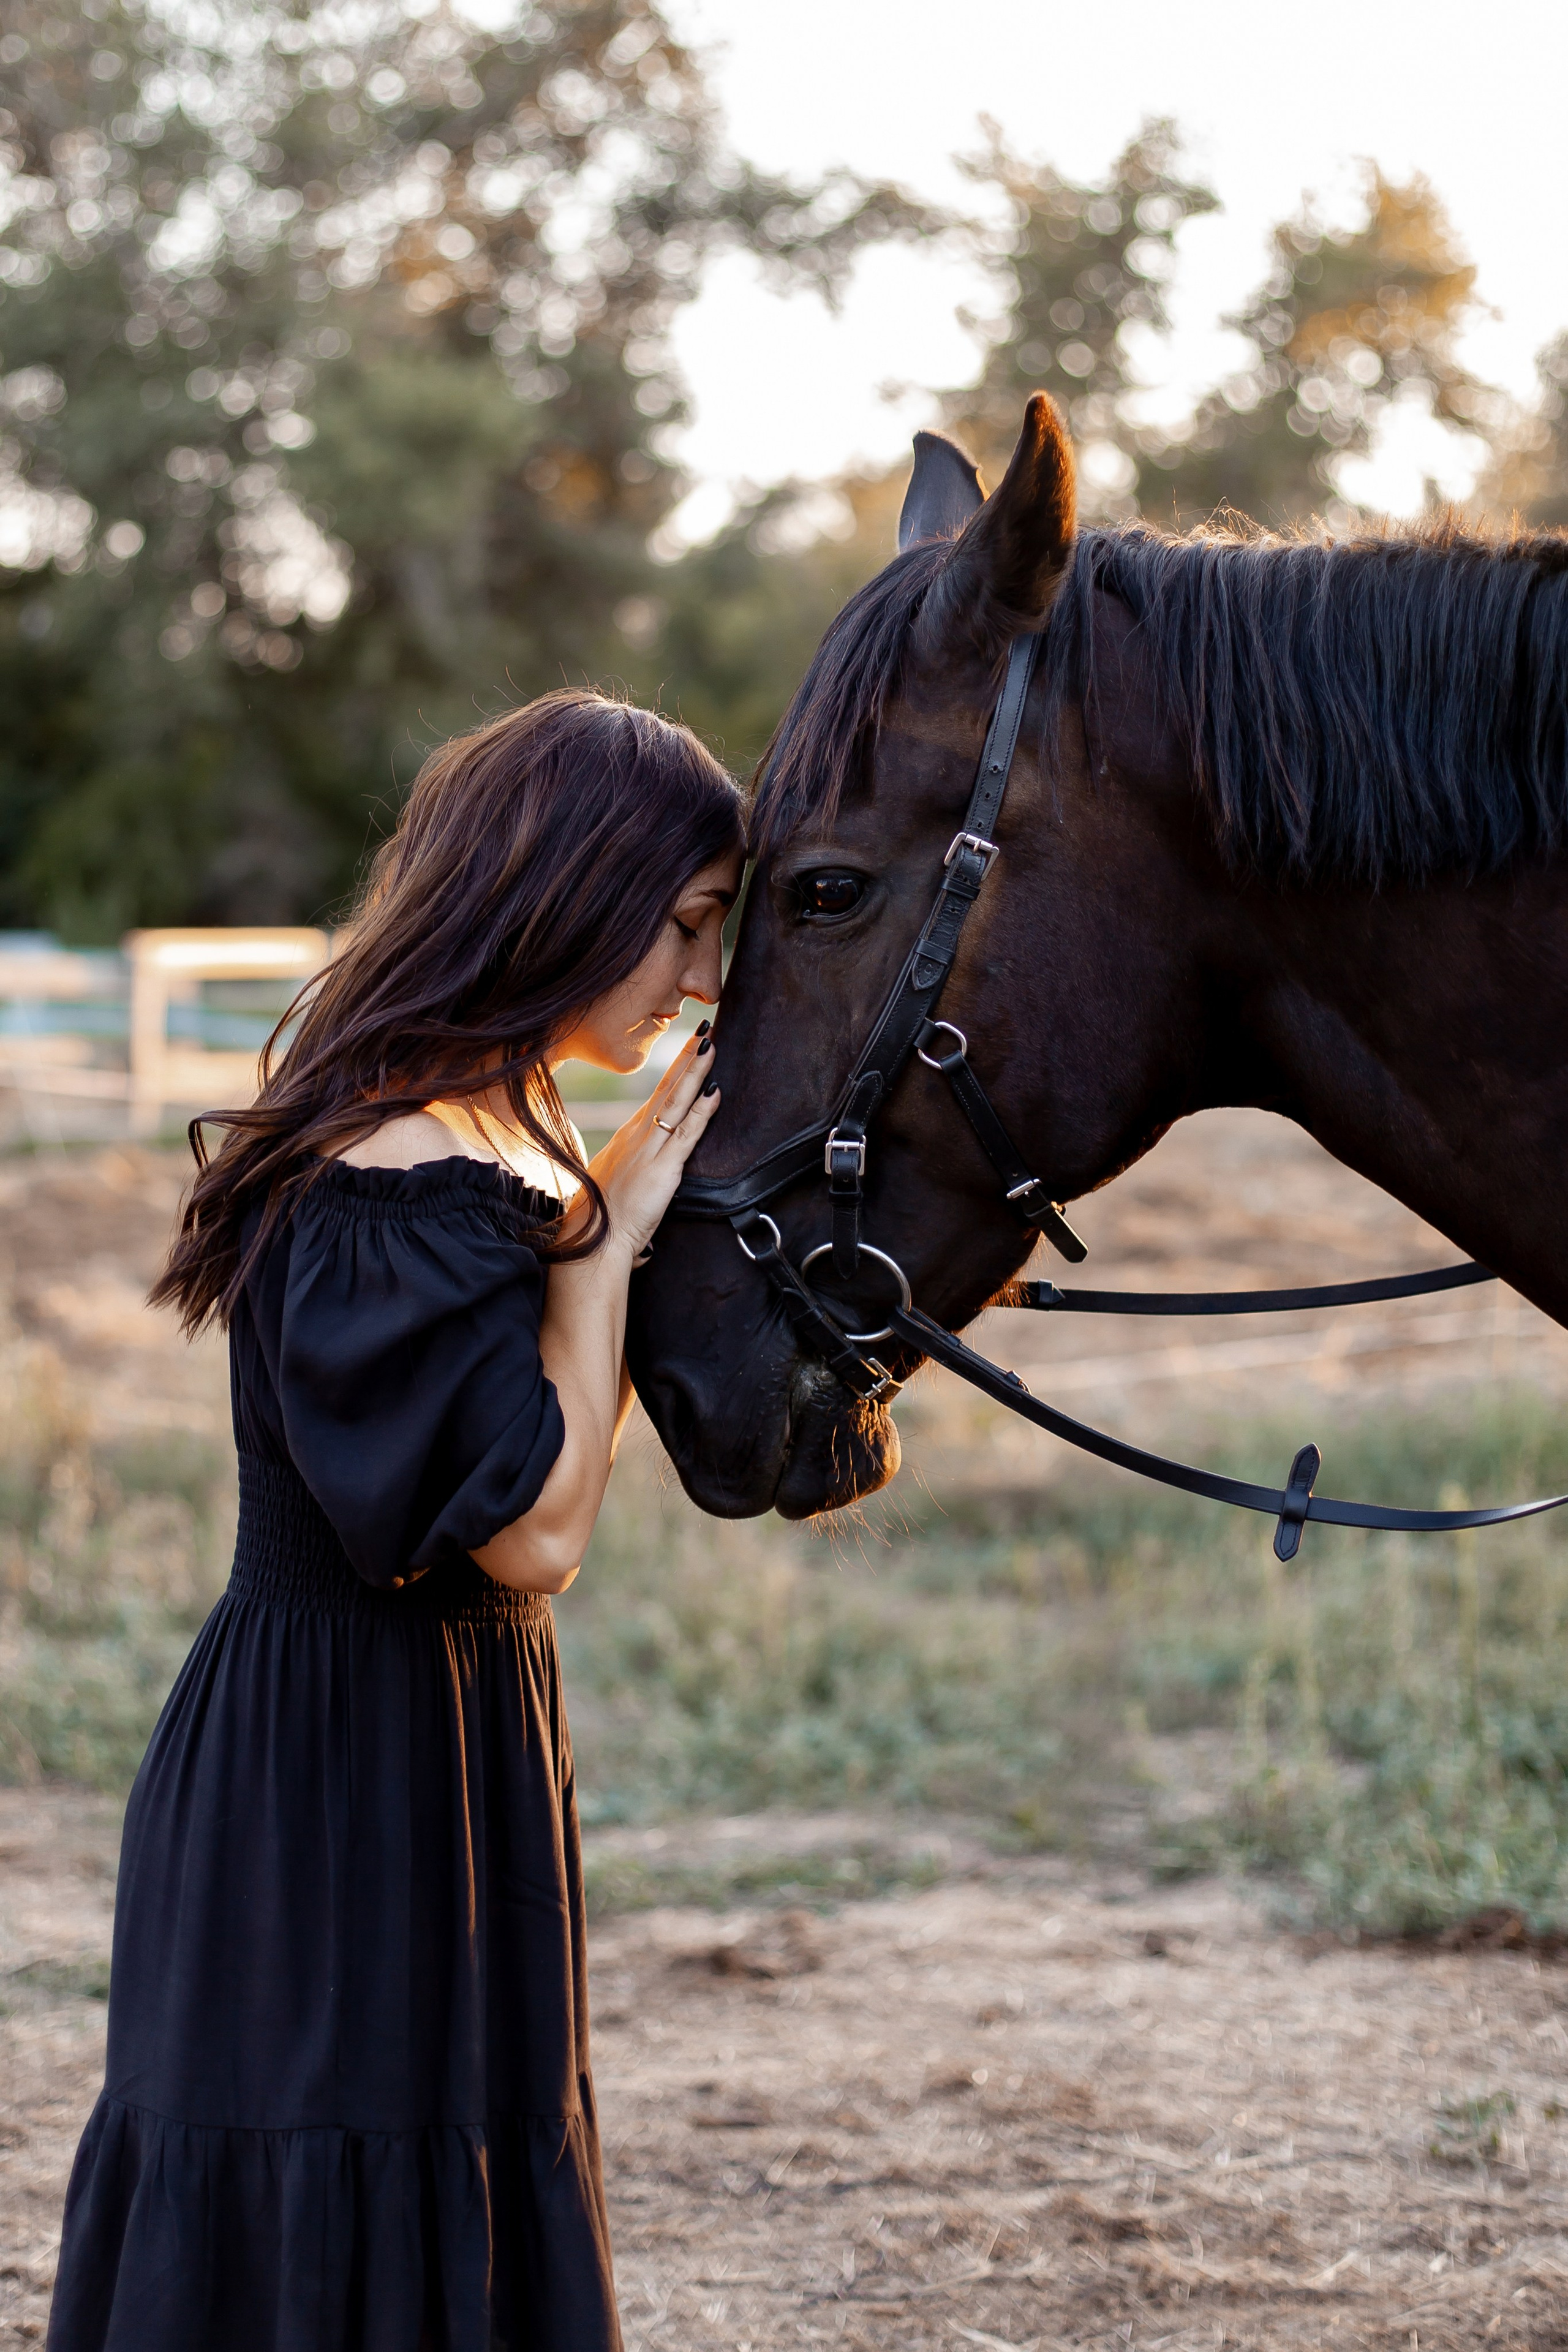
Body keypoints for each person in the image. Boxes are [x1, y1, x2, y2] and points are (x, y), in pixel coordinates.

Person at [48, 691, 746, 2352]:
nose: (702, 981)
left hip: (451, 1736)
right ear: (573, 890)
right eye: (691, 928)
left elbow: (545, 1459)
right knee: (330, 2202)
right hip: (328, 1769)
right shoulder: (397, 1164)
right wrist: (602, 1257)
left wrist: (602, 1241)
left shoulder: (506, 1122)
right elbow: (537, 1537)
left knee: (460, 2178)